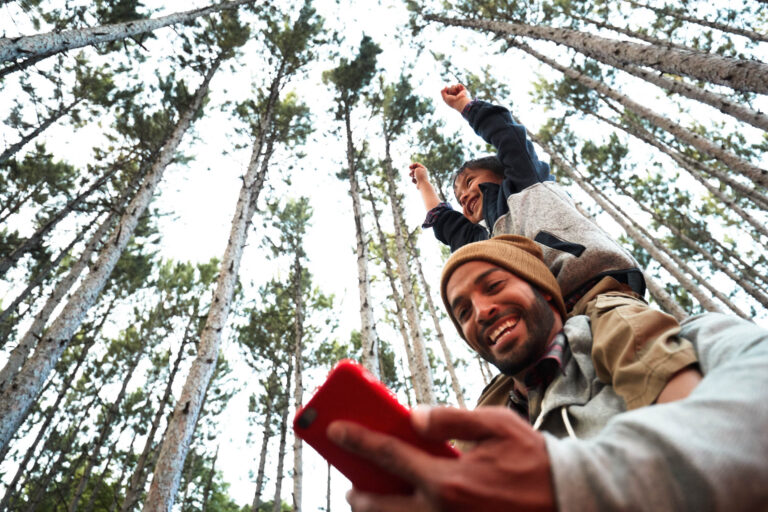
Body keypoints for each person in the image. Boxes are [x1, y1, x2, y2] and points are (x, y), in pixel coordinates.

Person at [328, 235, 768, 511]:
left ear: (545, 292)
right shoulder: (480, 444)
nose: (481, 311)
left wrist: (572, 483)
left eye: (495, 285)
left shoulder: (679, 338)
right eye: (463, 311)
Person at [410, 84, 698, 410]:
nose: (464, 198)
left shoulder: (525, 183)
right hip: (540, 324)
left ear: (500, 173)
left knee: (631, 338)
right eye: (460, 198)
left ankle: (691, 411)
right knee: (495, 404)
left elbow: (509, 137)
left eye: (469, 183)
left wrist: (465, 105)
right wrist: (424, 184)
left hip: (592, 289)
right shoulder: (486, 244)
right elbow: (446, 225)